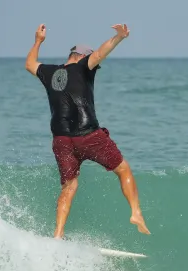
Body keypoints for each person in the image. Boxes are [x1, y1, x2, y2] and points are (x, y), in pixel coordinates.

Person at [25, 23, 151, 239]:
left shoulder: (48, 72)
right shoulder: (84, 66)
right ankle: (136, 213)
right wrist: (119, 37)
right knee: (123, 169)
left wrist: (38, 40)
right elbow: (102, 52)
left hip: (61, 139)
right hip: (88, 135)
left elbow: (29, 64)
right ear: (82, 55)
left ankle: (58, 234)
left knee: (69, 186)